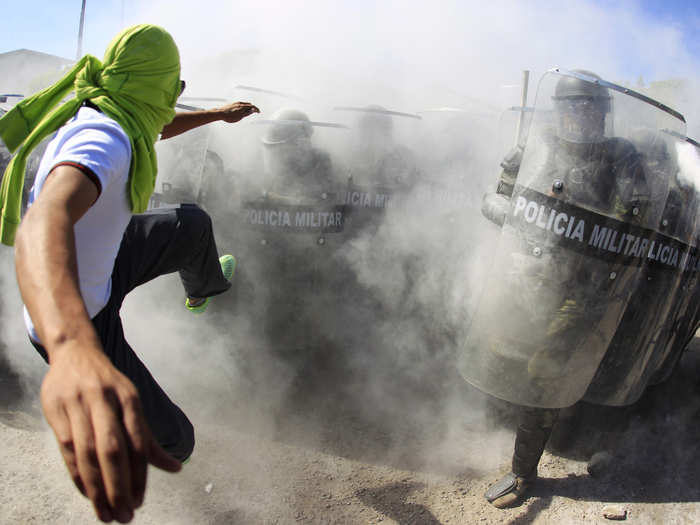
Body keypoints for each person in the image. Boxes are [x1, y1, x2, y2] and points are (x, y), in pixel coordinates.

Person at [0, 25, 259, 523]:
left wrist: (218, 115)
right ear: (151, 85)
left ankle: (201, 290)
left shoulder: (112, 108)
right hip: (79, 319)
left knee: (191, 225)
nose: (176, 97)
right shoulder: (105, 139)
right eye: (175, 87)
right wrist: (71, 348)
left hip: (106, 263)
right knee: (177, 440)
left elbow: (156, 125)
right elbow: (42, 224)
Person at [479, 70, 651, 508]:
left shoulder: (623, 159)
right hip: (531, 278)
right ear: (560, 111)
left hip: (586, 288)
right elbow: (492, 198)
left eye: (591, 108)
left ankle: (521, 473)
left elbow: (636, 220)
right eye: (574, 107)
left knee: (545, 369)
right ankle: (551, 422)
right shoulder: (533, 148)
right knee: (509, 354)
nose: (582, 117)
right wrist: (520, 222)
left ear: (603, 113)